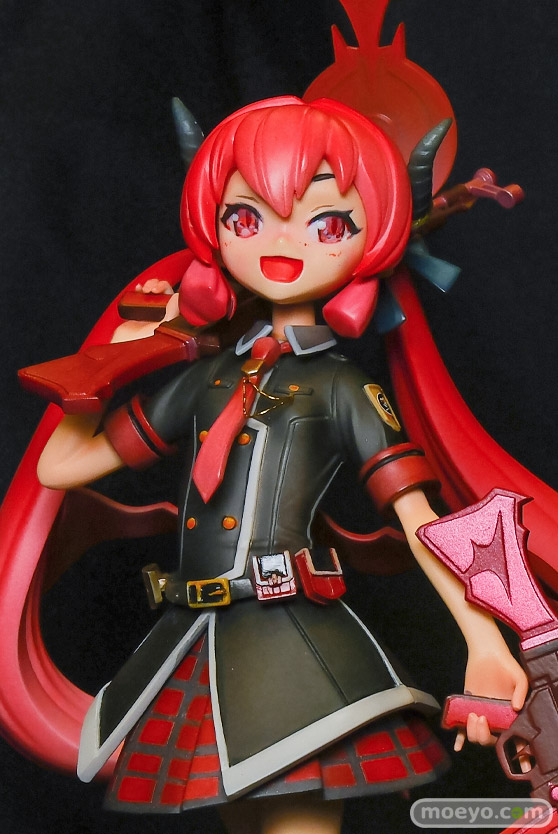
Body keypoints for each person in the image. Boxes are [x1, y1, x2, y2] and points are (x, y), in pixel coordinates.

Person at [34, 96, 528, 834]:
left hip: (295, 646)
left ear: (372, 241)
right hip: (195, 644)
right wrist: (113, 359)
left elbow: (419, 520)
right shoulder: (203, 381)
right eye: (246, 217)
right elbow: (61, 465)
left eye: (327, 225)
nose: (282, 241)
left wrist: (484, 640)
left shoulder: (340, 387)